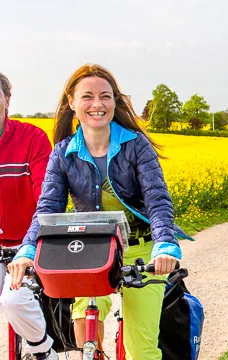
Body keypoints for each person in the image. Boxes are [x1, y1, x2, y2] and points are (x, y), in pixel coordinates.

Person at [4, 64, 190, 360]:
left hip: (140, 250)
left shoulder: (135, 145)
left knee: (141, 349)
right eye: (87, 96)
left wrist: (165, 244)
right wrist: (27, 251)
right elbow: (48, 207)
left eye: (105, 97)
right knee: (84, 327)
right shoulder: (63, 152)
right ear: (72, 102)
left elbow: (157, 199)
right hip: (91, 250)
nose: (97, 104)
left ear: (115, 102)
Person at [0, 72, 55, 359]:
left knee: (15, 299)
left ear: (7, 101)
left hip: (28, 246)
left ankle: (44, 352)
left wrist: (29, 243)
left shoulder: (31, 138)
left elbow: (45, 199)